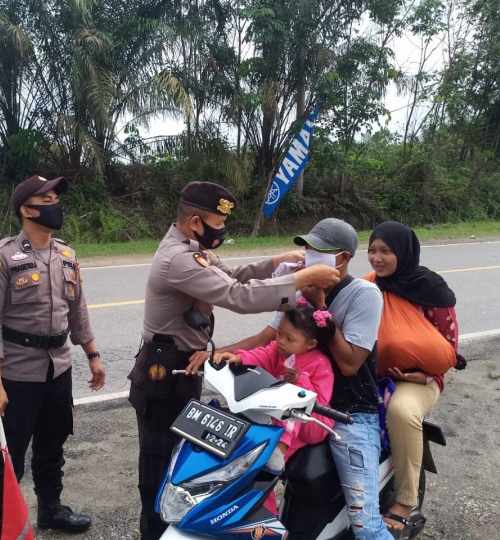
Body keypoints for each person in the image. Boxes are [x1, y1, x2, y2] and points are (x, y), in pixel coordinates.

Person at [128, 181, 341, 540]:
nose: (223, 230)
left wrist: (277, 262)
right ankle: (155, 533)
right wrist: (303, 278)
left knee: (187, 463)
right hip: (163, 372)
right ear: (196, 222)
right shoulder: (178, 259)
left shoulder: (195, 249)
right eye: (218, 222)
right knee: (160, 467)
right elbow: (237, 296)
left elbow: (233, 275)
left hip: (186, 366)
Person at [196, 218, 394, 539]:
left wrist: (320, 305)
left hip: (346, 413)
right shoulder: (298, 291)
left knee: (365, 523)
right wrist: (216, 356)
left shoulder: (364, 294)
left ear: (342, 258)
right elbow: (269, 339)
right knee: (244, 466)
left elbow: (349, 363)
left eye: (320, 250)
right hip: (291, 403)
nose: (309, 255)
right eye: (307, 248)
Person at [0, 174, 106, 540]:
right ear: (26, 209)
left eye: (55, 198)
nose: (55, 205)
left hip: (58, 368)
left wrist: (92, 354)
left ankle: (50, 510)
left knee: (52, 446)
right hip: (15, 374)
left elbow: (77, 310)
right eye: (46, 199)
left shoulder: (66, 255)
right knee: (7, 459)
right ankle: (1, 528)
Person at [364, 221, 459, 539]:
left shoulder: (429, 289)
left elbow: (449, 345)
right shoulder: (367, 286)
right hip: (370, 373)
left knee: (402, 411)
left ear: (403, 253)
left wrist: (427, 375)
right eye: (372, 250)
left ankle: (406, 502)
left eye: (386, 251)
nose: (377, 258)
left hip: (418, 380)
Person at [214, 303, 336, 470]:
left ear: (311, 344)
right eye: (279, 333)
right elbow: (262, 354)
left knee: (264, 462)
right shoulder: (278, 350)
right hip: (277, 413)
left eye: (289, 338)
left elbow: (318, 402)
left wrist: (300, 381)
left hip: (312, 422)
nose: (281, 341)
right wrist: (240, 358)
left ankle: (280, 447)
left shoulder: (320, 364)